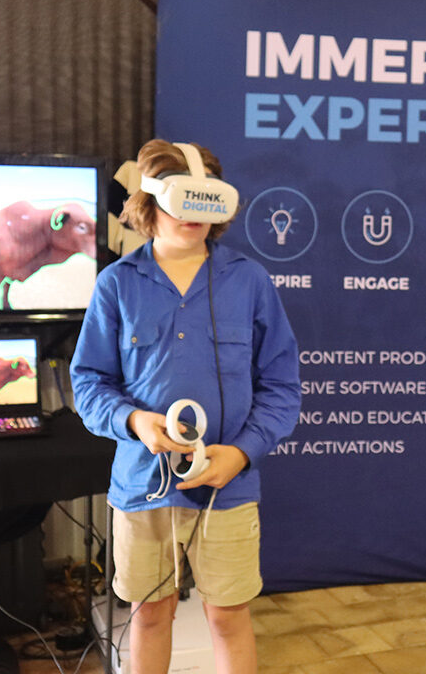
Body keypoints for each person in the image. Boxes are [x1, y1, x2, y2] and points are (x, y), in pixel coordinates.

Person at [70, 139, 301, 674]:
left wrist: (241, 454)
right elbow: (89, 382)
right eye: (183, 199)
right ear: (150, 204)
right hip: (142, 486)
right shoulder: (117, 286)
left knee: (228, 618)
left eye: (207, 201)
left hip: (229, 487)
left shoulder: (249, 282)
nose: (194, 215)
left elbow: (282, 386)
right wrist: (133, 421)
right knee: (150, 615)